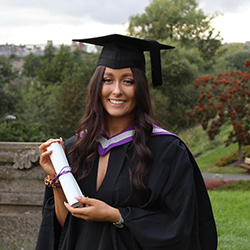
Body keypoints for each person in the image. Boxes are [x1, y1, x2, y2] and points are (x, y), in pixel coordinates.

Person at [36, 34, 217, 250]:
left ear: (140, 87)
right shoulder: (76, 148)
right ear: (97, 85)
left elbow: (180, 226)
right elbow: (65, 225)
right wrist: (57, 177)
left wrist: (116, 215)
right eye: (108, 80)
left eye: (128, 81)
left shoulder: (167, 150)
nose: (117, 90)